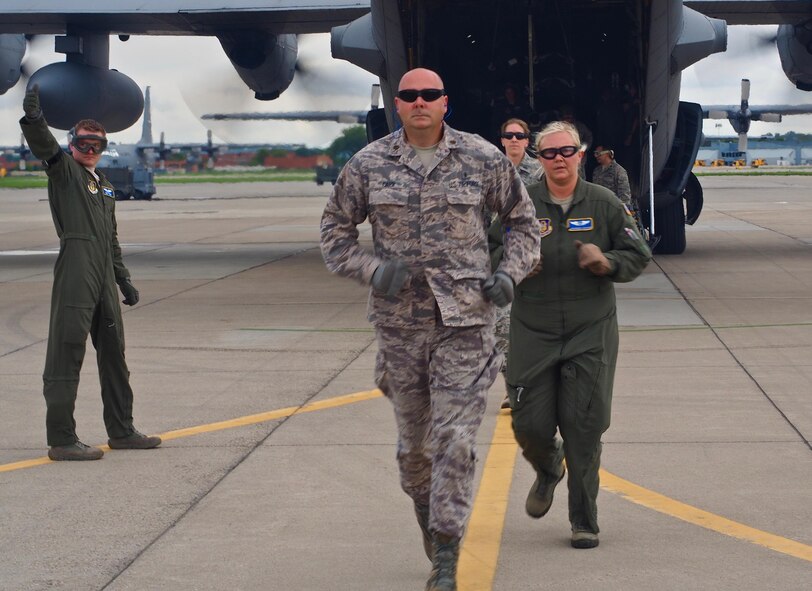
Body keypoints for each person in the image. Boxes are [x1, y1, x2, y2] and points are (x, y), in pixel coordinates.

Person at [320, 68, 540, 591]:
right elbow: (334, 232)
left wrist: (511, 271)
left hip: (466, 322)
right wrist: (372, 270)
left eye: (431, 95)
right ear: (397, 104)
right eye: (410, 95)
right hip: (400, 328)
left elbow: (524, 222)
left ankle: (446, 549)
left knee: (455, 441)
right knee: (414, 452)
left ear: (446, 102)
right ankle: (428, 514)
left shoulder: (483, 158)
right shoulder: (369, 164)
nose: (421, 102)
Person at [495, 121, 650, 549]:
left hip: (590, 328)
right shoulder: (518, 204)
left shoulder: (604, 203)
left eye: (567, 151)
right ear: (539, 159)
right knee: (528, 423)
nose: (558, 159)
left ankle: (584, 520)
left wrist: (609, 262)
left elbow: (638, 252)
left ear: (581, 154)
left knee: (584, 427)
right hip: (532, 328)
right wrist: (515, 262)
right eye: (549, 153)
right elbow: (487, 249)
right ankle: (548, 466)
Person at [20, 85, 161, 461]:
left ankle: (122, 430)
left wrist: (122, 278)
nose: (90, 150)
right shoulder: (65, 171)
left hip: (102, 273)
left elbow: (111, 237)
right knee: (67, 350)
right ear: (72, 144)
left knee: (114, 353)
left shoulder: (107, 188)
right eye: (84, 143)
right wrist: (35, 122)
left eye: (97, 144)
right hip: (76, 267)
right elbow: (45, 149)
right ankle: (62, 438)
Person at [493, 118, 542, 409]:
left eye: (519, 135)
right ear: (501, 140)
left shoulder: (539, 171)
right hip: (501, 261)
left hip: (534, 260)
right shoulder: (488, 169)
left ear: (527, 140)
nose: (513, 140)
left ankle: (537, 385)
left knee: (536, 329)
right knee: (500, 330)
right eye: (508, 135)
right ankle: (514, 387)